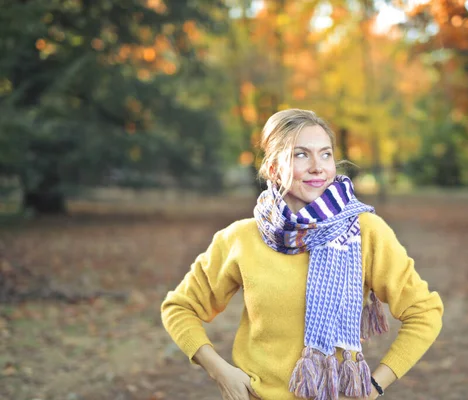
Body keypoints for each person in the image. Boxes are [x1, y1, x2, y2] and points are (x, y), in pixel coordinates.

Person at [161, 108, 444, 400]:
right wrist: (221, 372)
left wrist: (374, 387)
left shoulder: (364, 231)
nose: (318, 167)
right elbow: (179, 308)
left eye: (325, 154)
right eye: (300, 155)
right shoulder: (240, 238)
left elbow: (424, 313)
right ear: (273, 168)